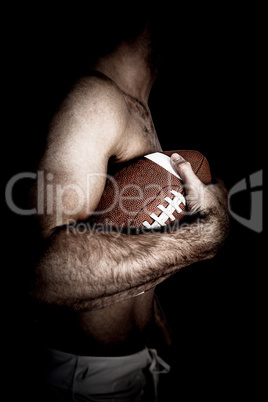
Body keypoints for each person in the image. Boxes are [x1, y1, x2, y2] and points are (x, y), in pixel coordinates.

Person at [28, 12, 229, 402]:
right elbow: (39, 275)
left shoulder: (134, 101)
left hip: (130, 364)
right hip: (79, 379)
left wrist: (150, 317)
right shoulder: (93, 99)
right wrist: (200, 239)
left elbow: (114, 229)